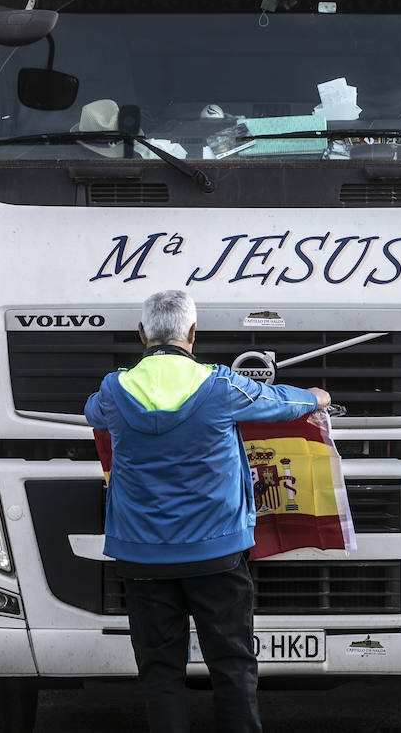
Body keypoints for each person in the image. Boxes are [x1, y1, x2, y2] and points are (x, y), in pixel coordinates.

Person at [85, 289, 329, 733]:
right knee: (232, 667)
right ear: (193, 333)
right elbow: (279, 403)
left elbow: (93, 416)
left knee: (160, 673)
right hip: (216, 556)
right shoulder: (219, 386)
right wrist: (317, 397)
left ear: (142, 334)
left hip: (142, 559)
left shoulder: (113, 390)